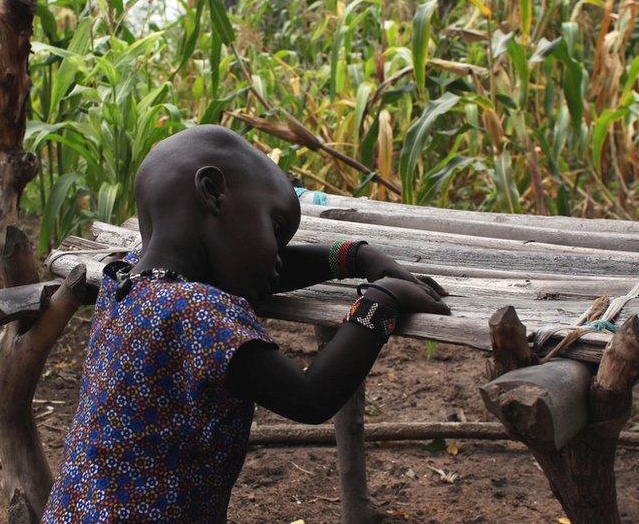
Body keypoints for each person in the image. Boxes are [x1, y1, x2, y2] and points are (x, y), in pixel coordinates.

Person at [42, 125, 449, 522]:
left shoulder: (126, 280)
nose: (278, 254)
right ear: (213, 192)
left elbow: (263, 270)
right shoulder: (196, 313)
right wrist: (382, 301)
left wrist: (353, 257)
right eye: (275, 228)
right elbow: (310, 398)